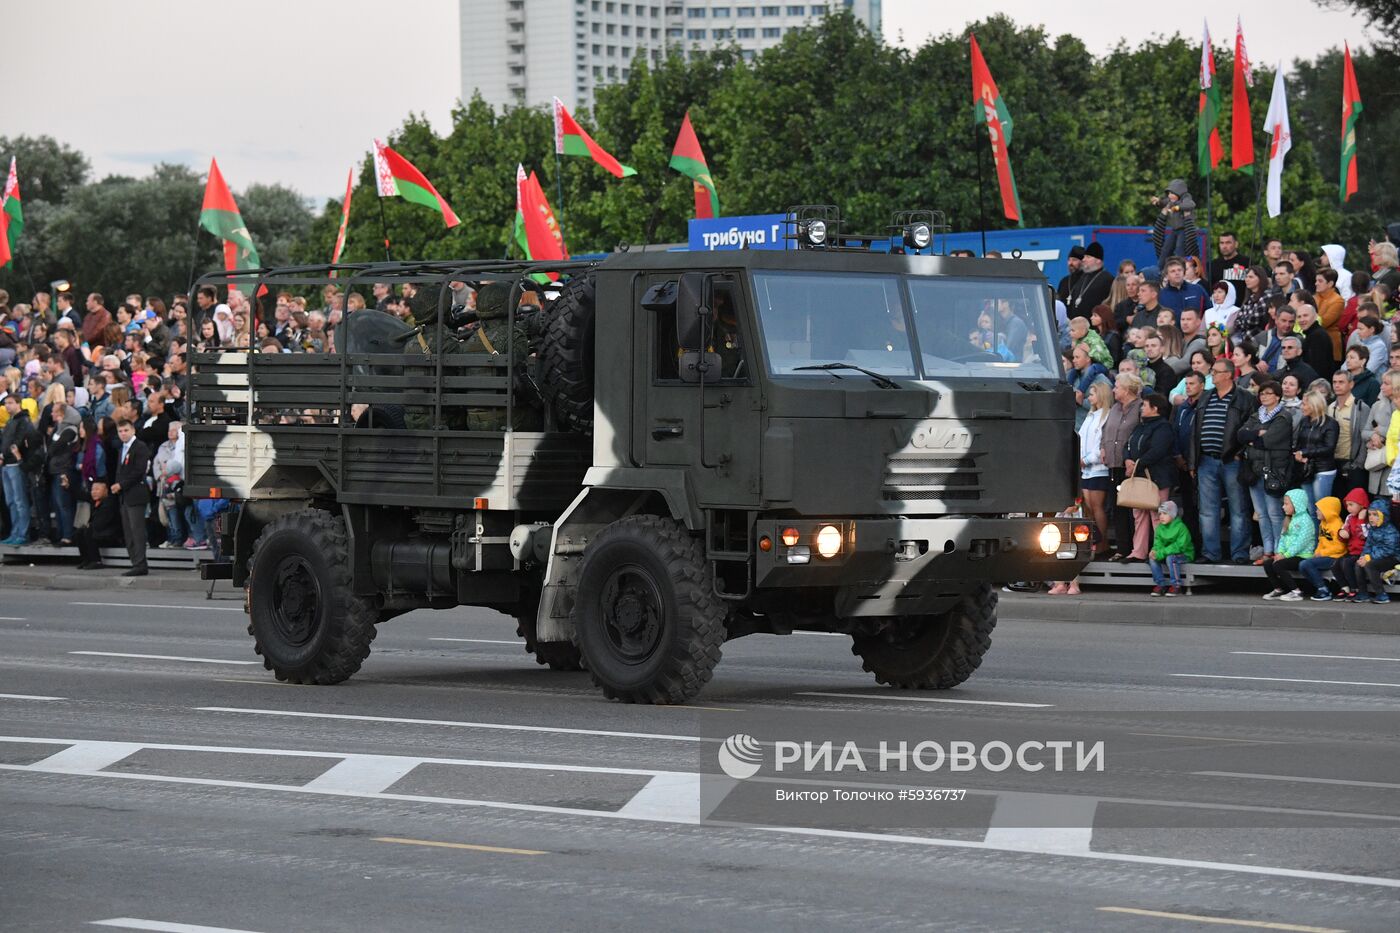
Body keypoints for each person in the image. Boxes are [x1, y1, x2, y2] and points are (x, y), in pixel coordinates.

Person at [1238, 381, 1293, 562]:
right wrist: (1257, 434)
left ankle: (1279, 549)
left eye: (1268, 393)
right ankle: (1268, 550)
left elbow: (1268, 440)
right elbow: (1241, 435)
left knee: (1274, 512)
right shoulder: (1255, 416)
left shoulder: (1283, 417)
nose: (1264, 396)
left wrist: (1256, 437)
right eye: (1262, 393)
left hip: (1274, 470)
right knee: (1261, 513)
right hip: (1254, 469)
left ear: (1277, 396)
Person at [1123, 392, 1176, 561]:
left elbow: (1158, 450)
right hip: (1140, 476)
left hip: (1158, 477)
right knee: (1139, 514)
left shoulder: (1163, 427)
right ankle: (1138, 551)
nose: (1141, 408)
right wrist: (1127, 460)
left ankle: (1159, 550)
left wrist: (1137, 463)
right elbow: (1128, 445)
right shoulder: (1140, 426)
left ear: (1155, 408)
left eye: (1145, 405)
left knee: (1157, 514)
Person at [1102, 371, 1143, 561]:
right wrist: (1103, 447)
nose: (1113, 389)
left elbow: (1140, 434)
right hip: (1113, 465)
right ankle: (1122, 547)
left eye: (1117, 387)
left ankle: (1137, 548)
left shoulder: (1141, 407)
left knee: (1132, 509)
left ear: (1127, 390)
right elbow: (1106, 430)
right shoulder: (1115, 408)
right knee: (1117, 508)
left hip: (1131, 466)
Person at [1260, 489, 1317, 601]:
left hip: (1303, 556)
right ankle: (1278, 589)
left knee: (1278, 565)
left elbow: (1301, 542)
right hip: (1288, 555)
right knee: (1268, 563)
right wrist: (1280, 552)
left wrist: (1285, 555)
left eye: (1286, 504)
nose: (1283, 507)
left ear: (1297, 504)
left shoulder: (1306, 521)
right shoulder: (1288, 520)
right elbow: (1283, 538)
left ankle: (1296, 592)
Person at [111, 419, 151, 577]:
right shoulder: (123, 448)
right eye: (120, 431)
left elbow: (138, 471)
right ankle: (135, 562)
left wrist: (121, 485)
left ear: (133, 430)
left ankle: (140, 564)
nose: (123, 434)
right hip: (125, 497)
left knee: (137, 531)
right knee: (128, 532)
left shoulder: (139, 447)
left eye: (125, 430)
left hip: (135, 495)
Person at [1078, 380, 1113, 558]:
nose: (1088, 397)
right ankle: (1095, 541)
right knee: (1088, 507)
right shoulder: (1090, 415)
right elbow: (1082, 438)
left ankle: (1103, 543)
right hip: (1085, 468)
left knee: (1097, 506)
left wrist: (1088, 459)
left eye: (1092, 394)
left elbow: (1102, 444)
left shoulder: (1106, 416)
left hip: (1098, 468)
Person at [1293, 391, 1339, 512]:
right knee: (1311, 509)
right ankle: (1314, 531)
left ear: (1314, 404)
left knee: (1323, 510)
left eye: (1304, 404)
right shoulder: (1304, 421)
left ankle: (1325, 531)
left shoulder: (1331, 423)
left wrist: (1305, 453)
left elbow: (1329, 448)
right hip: (1306, 469)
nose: (1301, 407)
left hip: (1323, 469)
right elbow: (1298, 443)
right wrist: (1298, 454)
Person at [1329, 368, 1371, 498]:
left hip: (1353, 464)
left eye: (1341, 382)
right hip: (1333, 463)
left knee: (1354, 505)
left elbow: (1364, 437)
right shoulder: (1330, 407)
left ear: (1351, 384)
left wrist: (1358, 464)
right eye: (1334, 382)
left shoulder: (1360, 407)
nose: (1337, 385)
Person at [0, 393, 36, 545]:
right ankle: (14, 532)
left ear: (18, 404)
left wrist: (3, 454)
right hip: (6, 465)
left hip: (16, 464)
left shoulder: (23, 421)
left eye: (10, 403)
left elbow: (18, 441)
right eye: (6, 403)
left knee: (20, 500)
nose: (7, 406)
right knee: (11, 501)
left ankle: (23, 533)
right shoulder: (10, 421)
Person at [1295, 496, 1345, 601]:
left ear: (1328, 511)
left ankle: (1323, 590)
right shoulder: (1323, 523)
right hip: (1326, 555)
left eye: (1319, 509)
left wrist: (1322, 553)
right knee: (1302, 565)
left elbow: (1340, 547)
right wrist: (1317, 553)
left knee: (1306, 564)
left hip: (1335, 557)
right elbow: (1321, 541)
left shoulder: (1337, 525)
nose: (1316, 511)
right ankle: (1323, 585)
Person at [1353, 499, 1400, 604]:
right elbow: (1367, 546)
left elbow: (1388, 550)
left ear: (1383, 515)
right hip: (1376, 556)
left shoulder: (1390, 531)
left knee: (1370, 565)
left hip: (1393, 558)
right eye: (1369, 515)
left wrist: (1369, 558)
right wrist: (1363, 556)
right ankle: (1363, 593)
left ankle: (1381, 594)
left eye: (1375, 515)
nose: (1371, 518)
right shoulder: (1373, 530)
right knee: (1359, 564)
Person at [74, 480, 124, 570]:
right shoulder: (95, 500)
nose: (94, 492)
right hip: (99, 533)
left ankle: (96, 561)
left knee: (89, 531)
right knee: (79, 532)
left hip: (111, 536)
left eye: (97, 489)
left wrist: (89, 525)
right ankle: (86, 560)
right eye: (92, 489)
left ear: (106, 491)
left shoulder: (109, 503)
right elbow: (81, 495)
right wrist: (68, 486)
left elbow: (100, 523)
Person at [1148, 500, 1193, 597]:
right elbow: (1157, 543)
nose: (1161, 516)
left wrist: (1161, 553)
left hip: (1184, 554)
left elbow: (1179, 546)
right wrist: (1155, 551)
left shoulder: (1181, 527)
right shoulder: (1160, 528)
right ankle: (1160, 585)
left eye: (1165, 513)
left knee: (1171, 558)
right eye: (1160, 514)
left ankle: (1176, 585)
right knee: (1152, 559)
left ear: (1173, 515)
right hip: (1166, 553)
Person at [1332, 487, 1371, 600]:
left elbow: (1364, 536)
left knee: (1347, 563)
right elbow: (1344, 532)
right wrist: (1342, 533)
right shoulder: (1349, 517)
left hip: (1363, 552)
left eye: (1351, 505)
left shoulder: (1367, 517)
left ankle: (1355, 588)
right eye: (1347, 505)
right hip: (1352, 551)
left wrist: (1360, 520)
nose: (1348, 508)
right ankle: (1345, 588)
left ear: (1361, 504)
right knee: (1335, 564)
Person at [1151, 180, 1200, 267]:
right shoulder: (1171, 201)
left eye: (1172, 193)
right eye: (1169, 193)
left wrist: (1177, 208)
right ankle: (1161, 268)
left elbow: (1191, 204)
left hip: (1184, 230)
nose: (1170, 196)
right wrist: (1158, 202)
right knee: (1166, 249)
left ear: (1179, 192)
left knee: (1180, 249)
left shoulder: (1186, 198)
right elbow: (1164, 203)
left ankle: (1181, 267)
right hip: (1174, 230)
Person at [1068, 344, 1111, 429]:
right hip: (1073, 427)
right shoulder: (1073, 377)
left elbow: (1104, 404)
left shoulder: (1101, 380)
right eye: (1073, 357)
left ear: (1088, 358)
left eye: (1077, 357)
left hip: (1091, 428)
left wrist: (1081, 402)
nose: (1074, 360)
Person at [1292, 297, 1336, 380]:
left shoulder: (1317, 336)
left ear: (1315, 316)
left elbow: (1317, 367)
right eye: (1299, 317)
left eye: (1305, 316)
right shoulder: (1312, 334)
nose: (1302, 320)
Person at [1066, 243, 1113, 317]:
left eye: (1088, 257)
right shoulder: (1083, 277)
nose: (1084, 259)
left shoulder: (1107, 279)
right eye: (1084, 257)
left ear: (1098, 260)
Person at [1158, 257, 1209, 322]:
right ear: (1167, 276)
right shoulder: (1161, 295)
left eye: (1179, 270)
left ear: (1184, 272)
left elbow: (1209, 311)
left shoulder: (1197, 289)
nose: (1177, 273)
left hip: (1197, 330)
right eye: (1173, 271)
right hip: (1172, 331)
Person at [1313, 270, 1345, 360]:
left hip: (1330, 344)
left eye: (1320, 281)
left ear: (1330, 283)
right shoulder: (1314, 297)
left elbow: (1325, 322)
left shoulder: (1338, 300)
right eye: (1316, 281)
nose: (1316, 283)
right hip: (1314, 344)